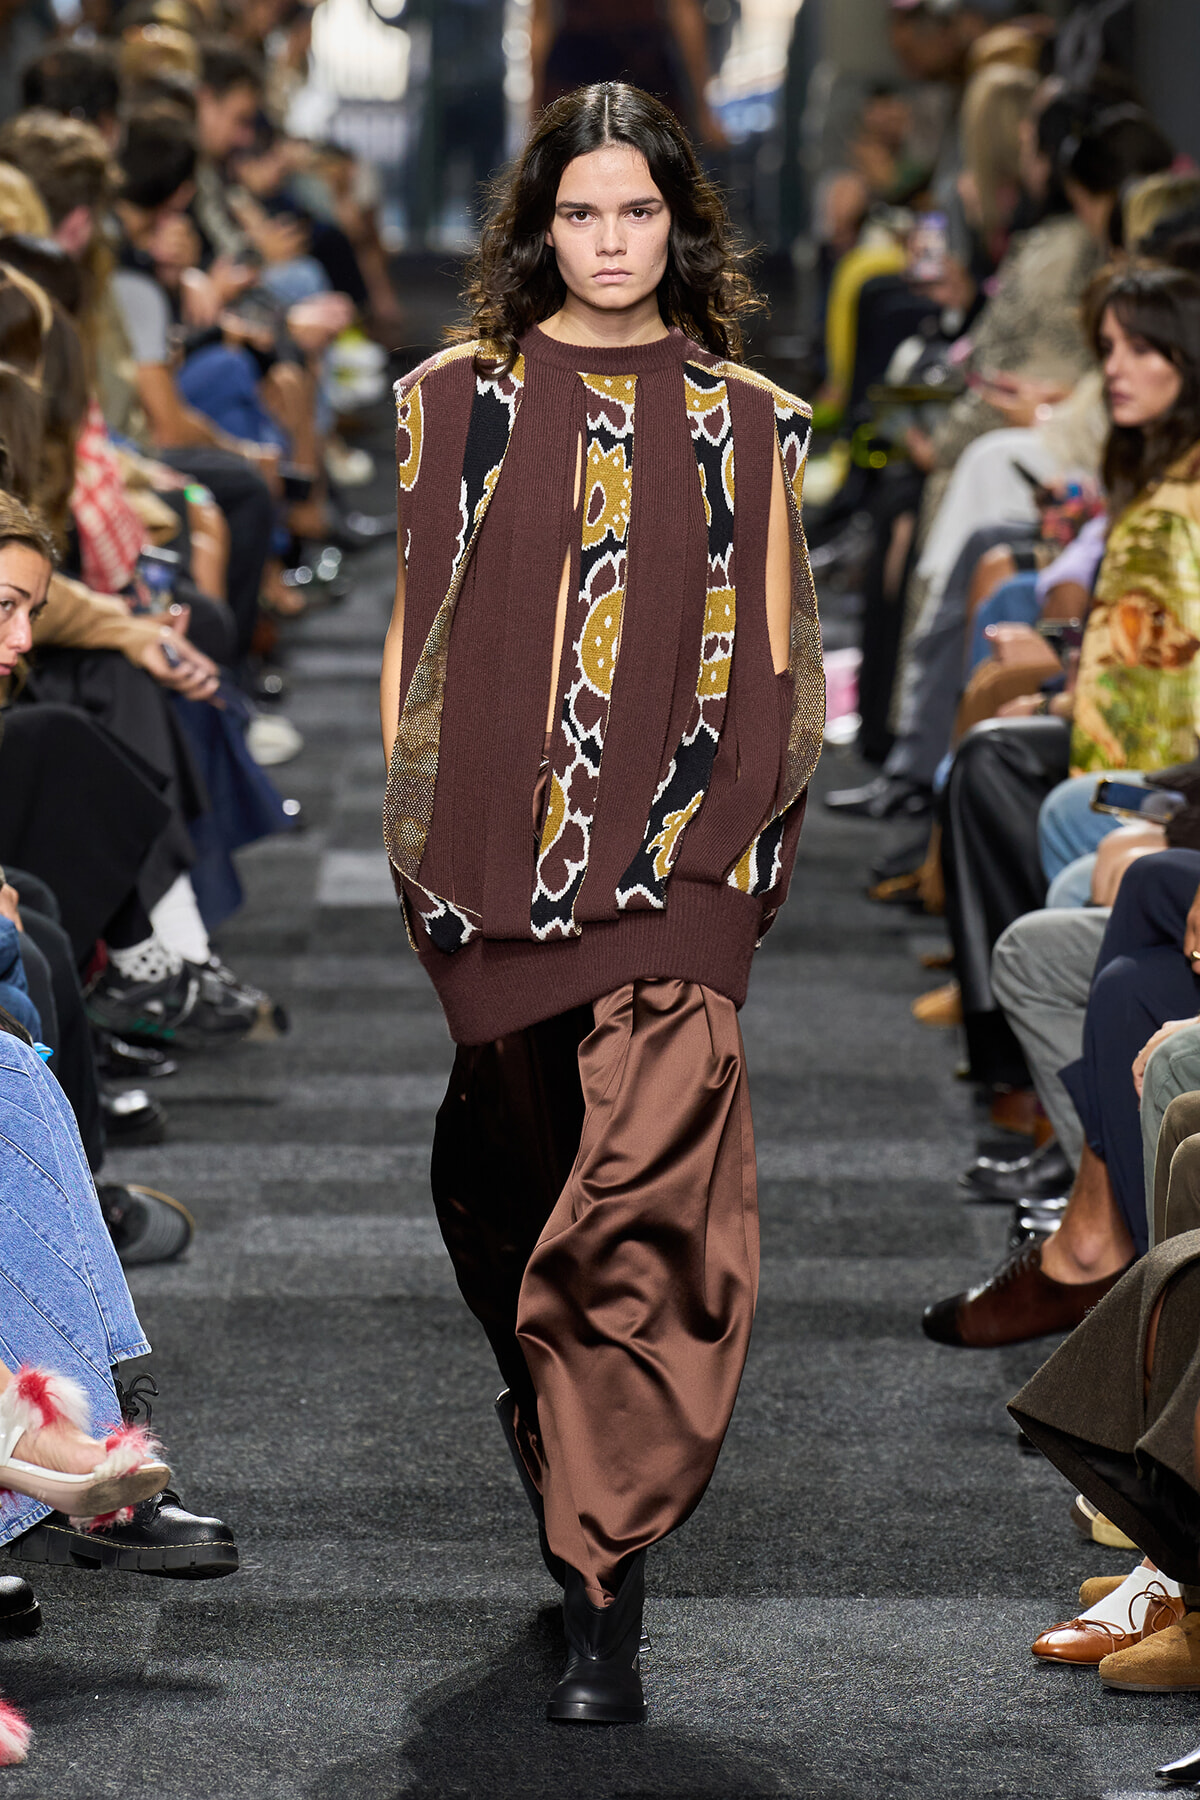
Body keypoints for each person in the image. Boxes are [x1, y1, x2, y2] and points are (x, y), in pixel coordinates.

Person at [380, 81, 824, 1724]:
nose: (613, 241)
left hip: (681, 874)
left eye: (639, 212)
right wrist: (418, 847)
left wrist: (743, 859)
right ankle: (554, 1448)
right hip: (491, 874)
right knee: (510, 1201)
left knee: (637, 1227)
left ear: (680, 225)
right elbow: (416, 642)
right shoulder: (451, 403)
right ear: (537, 228)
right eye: (582, 214)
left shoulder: (755, 419)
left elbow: (783, 655)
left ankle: (602, 1591)